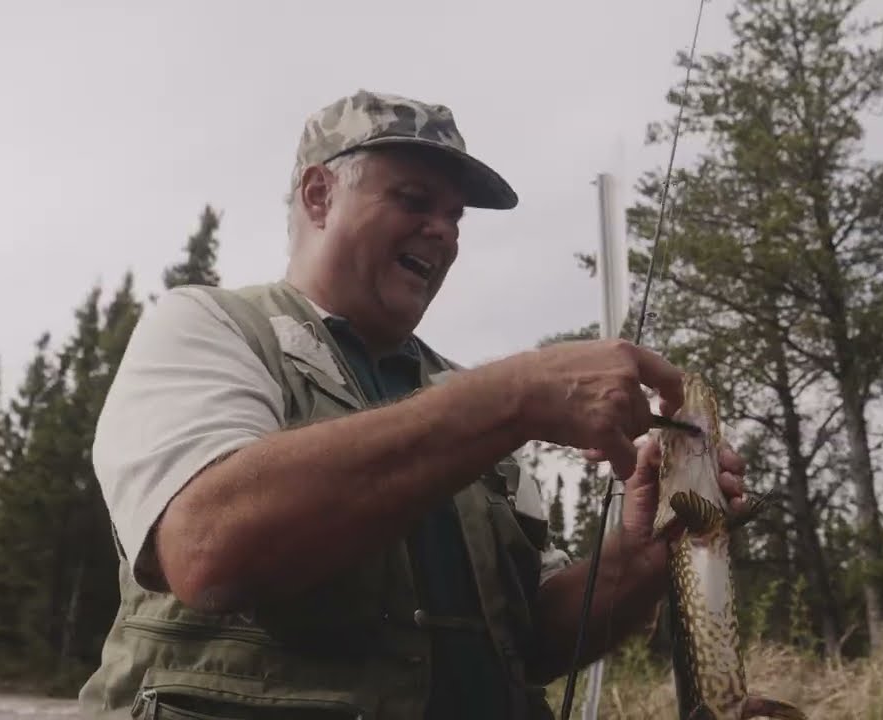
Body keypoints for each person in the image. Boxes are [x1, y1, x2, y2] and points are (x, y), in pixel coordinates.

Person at [77, 89, 750, 720]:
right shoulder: (211, 327)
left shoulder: (470, 403)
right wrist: (514, 395)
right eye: (413, 200)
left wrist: (636, 562)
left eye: (455, 216)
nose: (443, 232)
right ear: (318, 194)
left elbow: (531, 638)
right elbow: (209, 546)